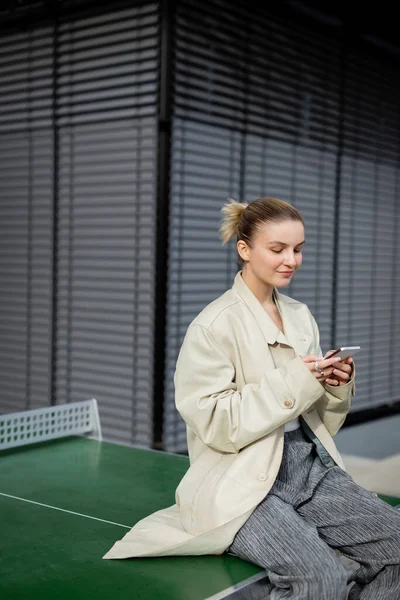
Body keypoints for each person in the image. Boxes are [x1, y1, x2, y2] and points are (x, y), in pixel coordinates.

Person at [103, 197, 400, 600]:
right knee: (321, 580)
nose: (291, 260)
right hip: (239, 477)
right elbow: (215, 424)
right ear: (244, 250)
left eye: (298, 249)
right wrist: (296, 379)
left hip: (309, 467)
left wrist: (333, 384)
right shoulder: (212, 326)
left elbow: (319, 421)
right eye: (277, 249)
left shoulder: (299, 315)